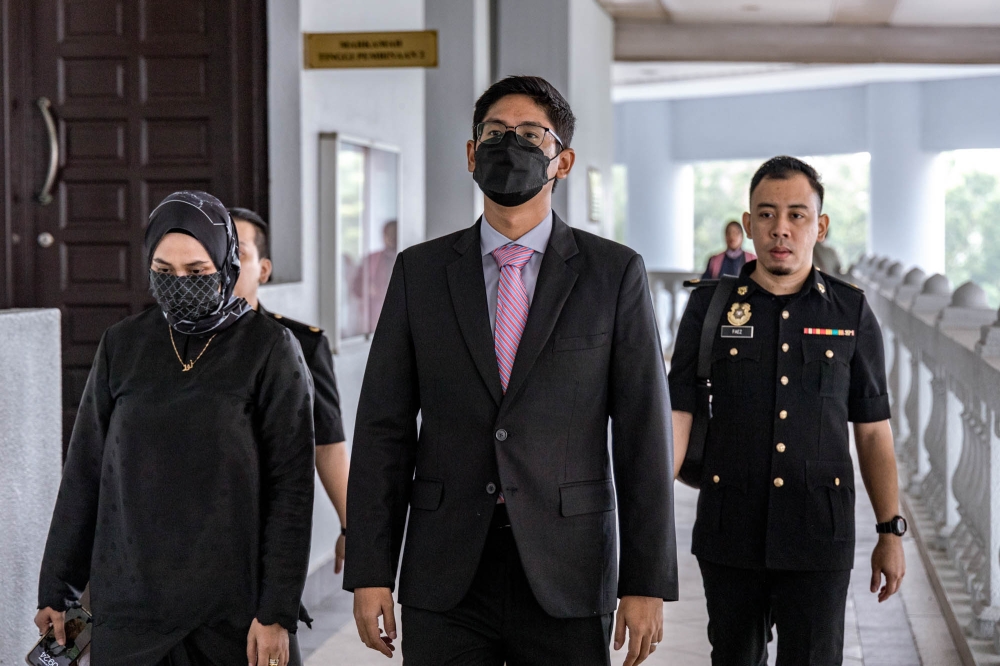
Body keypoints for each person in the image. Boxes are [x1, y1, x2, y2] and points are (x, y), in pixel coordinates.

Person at [345, 75, 677, 666]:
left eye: (530, 135)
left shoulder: (613, 273)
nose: (509, 145)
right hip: (445, 568)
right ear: (472, 154)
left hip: (567, 567)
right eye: (495, 133)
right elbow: (383, 428)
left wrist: (645, 580)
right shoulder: (420, 272)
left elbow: (643, 435)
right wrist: (371, 570)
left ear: (563, 161)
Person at [35, 191, 315, 666]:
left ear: (226, 265)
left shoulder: (268, 348)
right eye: (164, 271)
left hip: (232, 614)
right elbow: (85, 471)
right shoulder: (123, 344)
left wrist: (277, 612)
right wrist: (56, 588)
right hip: (130, 609)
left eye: (197, 271)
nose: (180, 284)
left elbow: (291, 490)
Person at [669, 156, 905, 665]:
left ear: (820, 226)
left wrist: (890, 531)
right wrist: (645, 519)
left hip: (818, 532)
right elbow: (678, 415)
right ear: (749, 222)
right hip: (729, 530)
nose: (781, 228)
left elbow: (872, 430)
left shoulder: (850, 311)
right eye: (767, 214)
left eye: (797, 215)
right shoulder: (710, 308)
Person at [230, 206, 350, 666]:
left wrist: (352, 525)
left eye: (238, 254)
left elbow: (327, 444)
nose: (225, 266)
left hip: (263, 544)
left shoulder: (299, 344)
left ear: (263, 269)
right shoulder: (160, 347)